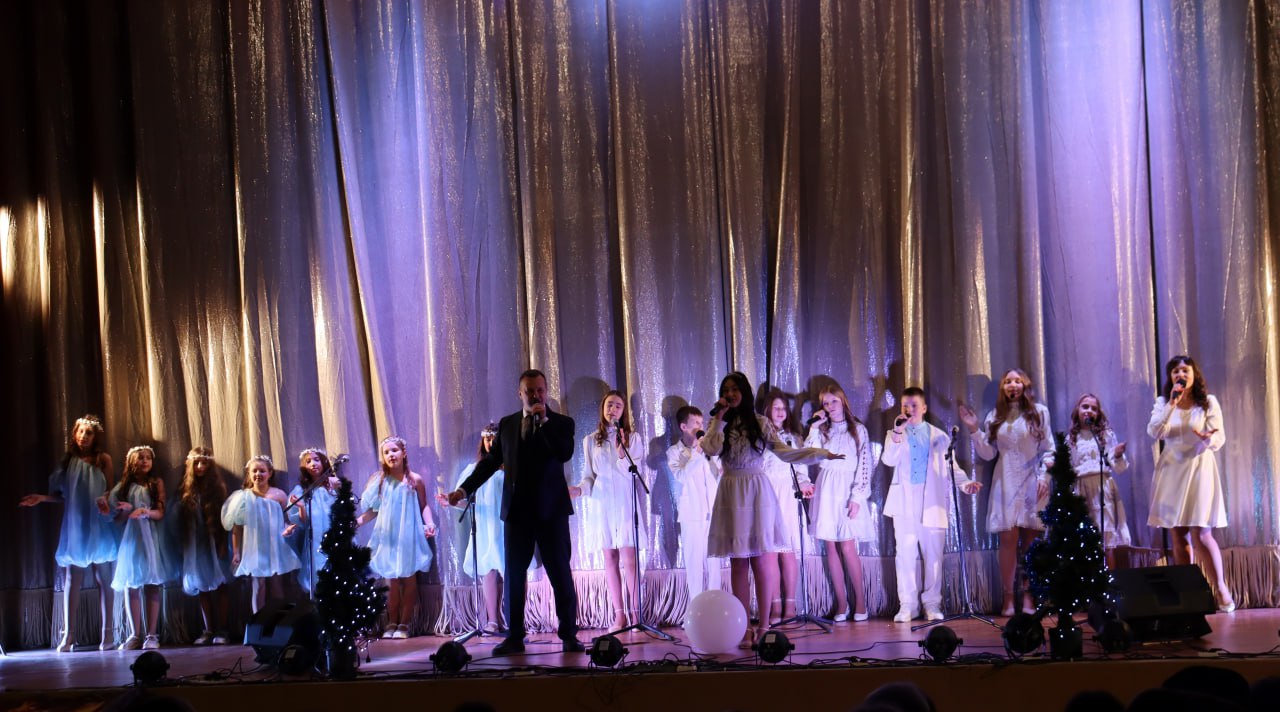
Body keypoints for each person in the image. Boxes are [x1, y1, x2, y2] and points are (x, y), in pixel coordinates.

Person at [446, 369, 583, 655]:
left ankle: (569, 634)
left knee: (559, 572)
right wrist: (464, 489)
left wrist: (543, 423)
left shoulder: (561, 423)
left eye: (540, 390)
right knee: (514, 576)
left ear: (546, 391)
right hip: (517, 512)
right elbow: (490, 463)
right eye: (530, 391)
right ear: (520, 393)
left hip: (551, 511)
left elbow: (564, 453)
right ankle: (515, 636)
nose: (536, 395)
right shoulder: (508, 424)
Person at [702, 372, 842, 648]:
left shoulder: (760, 422)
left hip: (756, 490)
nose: (730, 394)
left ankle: (765, 625)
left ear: (744, 392)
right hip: (731, 490)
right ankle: (743, 627)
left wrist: (821, 454)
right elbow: (710, 448)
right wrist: (718, 418)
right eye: (726, 389)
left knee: (761, 560)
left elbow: (785, 453)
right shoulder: (719, 423)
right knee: (738, 563)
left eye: (735, 389)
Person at [881, 387, 981, 622]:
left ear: (924, 408)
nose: (909, 410)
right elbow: (888, 460)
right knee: (905, 554)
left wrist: (966, 484)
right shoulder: (895, 434)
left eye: (914, 405)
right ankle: (908, 605)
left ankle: (932, 604)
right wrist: (897, 433)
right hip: (905, 500)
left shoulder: (940, 436)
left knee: (934, 555)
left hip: (932, 501)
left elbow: (952, 468)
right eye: (905, 406)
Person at [19, 414, 118, 651]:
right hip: (76, 525)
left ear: (95, 437)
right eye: (80, 431)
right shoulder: (68, 461)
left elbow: (111, 490)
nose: (84, 436)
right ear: (74, 434)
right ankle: (68, 635)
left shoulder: (103, 459)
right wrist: (42, 498)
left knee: (103, 577)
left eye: (89, 432)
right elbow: (63, 496)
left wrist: (107, 501)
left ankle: (108, 634)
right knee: (72, 579)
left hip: (98, 523)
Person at [959, 368, 1054, 616]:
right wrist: (974, 429)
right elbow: (988, 453)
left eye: (1017, 381)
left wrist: (1045, 476)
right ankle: (1009, 597)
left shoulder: (1040, 412)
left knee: (1031, 542)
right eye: (1008, 381)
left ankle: (1030, 597)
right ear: (1003, 388)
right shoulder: (995, 416)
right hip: (1005, 481)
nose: (1013, 385)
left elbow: (1049, 448)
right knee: (1008, 540)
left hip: (1033, 480)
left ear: (1025, 385)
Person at [1147, 355, 1233, 611]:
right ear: (1170, 377)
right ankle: (1190, 595)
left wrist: (1208, 438)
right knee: (1178, 532)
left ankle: (1221, 589)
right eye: (1175, 371)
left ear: (1194, 374)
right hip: (1172, 470)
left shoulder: (1208, 402)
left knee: (1201, 532)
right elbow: (1155, 431)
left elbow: (1219, 438)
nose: (1180, 374)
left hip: (1198, 467)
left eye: (1185, 370)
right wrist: (1171, 405)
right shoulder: (1163, 403)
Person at [569, 390, 648, 631]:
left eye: (618, 406)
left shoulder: (633, 438)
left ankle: (636, 615)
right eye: (609, 404)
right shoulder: (590, 440)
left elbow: (632, 471)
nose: (612, 409)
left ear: (623, 412)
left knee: (630, 559)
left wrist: (622, 452)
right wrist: (579, 490)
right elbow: (589, 476)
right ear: (603, 408)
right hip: (602, 503)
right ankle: (619, 615)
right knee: (610, 558)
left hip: (624, 501)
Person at [806, 383, 874, 623]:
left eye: (833, 401)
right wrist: (814, 427)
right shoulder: (822, 431)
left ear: (843, 401)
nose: (830, 406)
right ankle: (842, 603)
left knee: (847, 546)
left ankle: (861, 603)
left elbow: (865, 464)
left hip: (847, 489)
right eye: (825, 403)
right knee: (831, 547)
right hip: (827, 489)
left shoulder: (858, 429)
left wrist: (857, 496)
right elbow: (810, 455)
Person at [357, 436, 437, 639]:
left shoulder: (415, 480)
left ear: (403, 453)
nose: (391, 455)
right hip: (388, 537)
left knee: (409, 580)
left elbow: (424, 506)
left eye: (394, 450)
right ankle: (391, 621)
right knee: (391, 582)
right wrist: (357, 522)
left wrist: (429, 523)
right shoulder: (381, 481)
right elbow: (373, 510)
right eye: (386, 452)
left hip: (408, 536)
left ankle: (404, 623)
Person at [437, 424, 508, 634]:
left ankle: (515, 619)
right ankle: (492, 620)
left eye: (494, 439)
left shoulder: (510, 468)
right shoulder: (474, 470)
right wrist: (451, 501)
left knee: (512, 571)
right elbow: (467, 501)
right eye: (487, 439)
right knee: (488, 571)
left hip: (506, 524)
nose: (491, 443)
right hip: (485, 526)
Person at [757, 389, 814, 625]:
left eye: (783, 408)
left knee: (788, 552)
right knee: (769, 554)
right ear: (767, 410)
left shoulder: (793, 438)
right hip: (765, 497)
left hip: (787, 497)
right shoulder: (759, 438)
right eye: (776, 408)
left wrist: (804, 483)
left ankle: (791, 604)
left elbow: (800, 469)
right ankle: (775, 604)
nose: (780, 412)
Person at [107, 445, 171, 650]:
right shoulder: (123, 487)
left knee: (152, 584)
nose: (144, 461)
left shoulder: (156, 483)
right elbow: (116, 519)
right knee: (132, 584)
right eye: (140, 457)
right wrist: (127, 511)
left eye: (147, 458)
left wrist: (145, 512)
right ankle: (135, 634)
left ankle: (151, 634)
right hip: (132, 540)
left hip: (151, 538)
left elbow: (160, 513)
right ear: (131, 462)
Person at [221, 455, 300, 614]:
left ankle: (278, 620)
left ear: (269, 473)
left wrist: (288, 528)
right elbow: (237, 528)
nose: (258, 474)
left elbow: (285, 520)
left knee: (277, 584)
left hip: (275, 546)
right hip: (254, 547)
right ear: (249, 474)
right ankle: (258, 621)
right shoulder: (243, 497)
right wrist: (236, 552)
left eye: (262, 471)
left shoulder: (279, 495)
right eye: (254, 471)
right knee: (258, 585)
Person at [666, 405, 723, 624]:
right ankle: (696, 614)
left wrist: (713, 455)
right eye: (695, 424)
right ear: (684, 427)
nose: (700, 427)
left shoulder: (709, 449)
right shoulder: (674, 452)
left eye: (701, 423)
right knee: (694, 565)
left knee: (714, 565)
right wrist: (698, 454)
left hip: (713, 512)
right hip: (691, 514)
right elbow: (682, 476)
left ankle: (716, 611)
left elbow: (719, 474)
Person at [1065, 394, 1131, 569]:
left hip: (1102, 488)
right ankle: (1087, 581)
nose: (1089, 411)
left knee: (1106, 538)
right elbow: (1068, 467)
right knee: (1083, 537)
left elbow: (1117, 465)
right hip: (1080, 488)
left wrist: (1117, 454)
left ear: (1098, 414)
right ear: (1077, 410)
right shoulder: (1071, 438)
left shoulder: (1105, 435)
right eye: (1085, 406)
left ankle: (1110, 580)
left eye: (1094, 409)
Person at [176, 447, 231, 645]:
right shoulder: (186, 489)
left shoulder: (217, 487)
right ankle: (208, 630)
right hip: (195, 543)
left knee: (221, 583)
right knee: (201, 585)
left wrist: (223, 543)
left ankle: (223, 630)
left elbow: (226, 518)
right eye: (196, 463)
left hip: (214, 540)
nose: (200, 467)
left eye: (204, 463)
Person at [287, 447, 339, 595]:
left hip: (335, 535)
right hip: (315, 538)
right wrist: (301, 507)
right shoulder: (302, 490)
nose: (313, 464)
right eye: (308, 461)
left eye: (316, 460)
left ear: (324, 462)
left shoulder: (333, 485)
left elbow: (345, 507)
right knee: (318, 571)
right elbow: (304, 522)